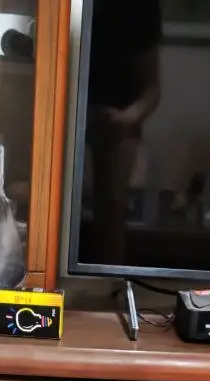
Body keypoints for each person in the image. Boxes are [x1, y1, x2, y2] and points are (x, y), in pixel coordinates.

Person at [85, 0, 162, 264]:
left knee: (111, 209)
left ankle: (109, 279)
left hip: (118, 118)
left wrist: (126, 118)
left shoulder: (141, 7)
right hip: (65, 110)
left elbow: (152, 88)